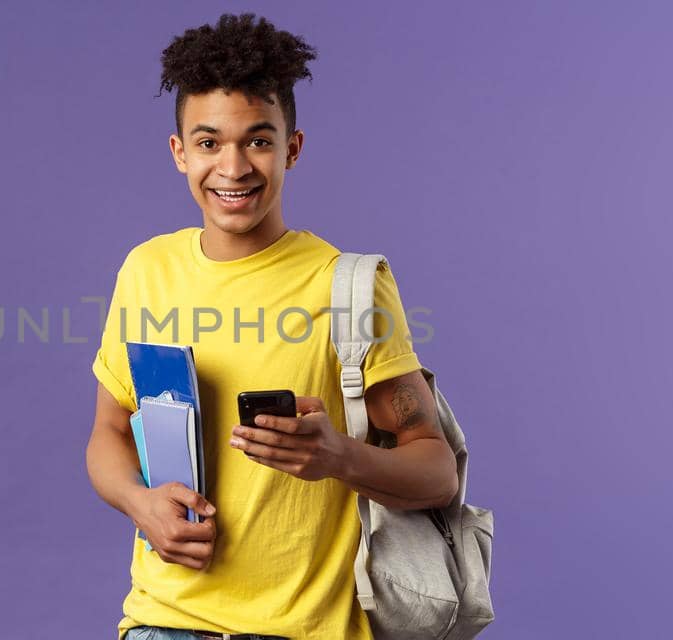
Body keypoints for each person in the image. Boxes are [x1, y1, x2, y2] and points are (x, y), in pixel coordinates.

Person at [84, 13, 459, 640]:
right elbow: (107, 432)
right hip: (163, 624)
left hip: (305, 631)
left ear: (292, 147)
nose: (232, 168)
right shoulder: (146, 269)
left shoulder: (349, 286)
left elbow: (436, 472)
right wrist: (139, 502)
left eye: (258, 140)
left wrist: (337, 455)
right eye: (208, 143)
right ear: (179, 152)